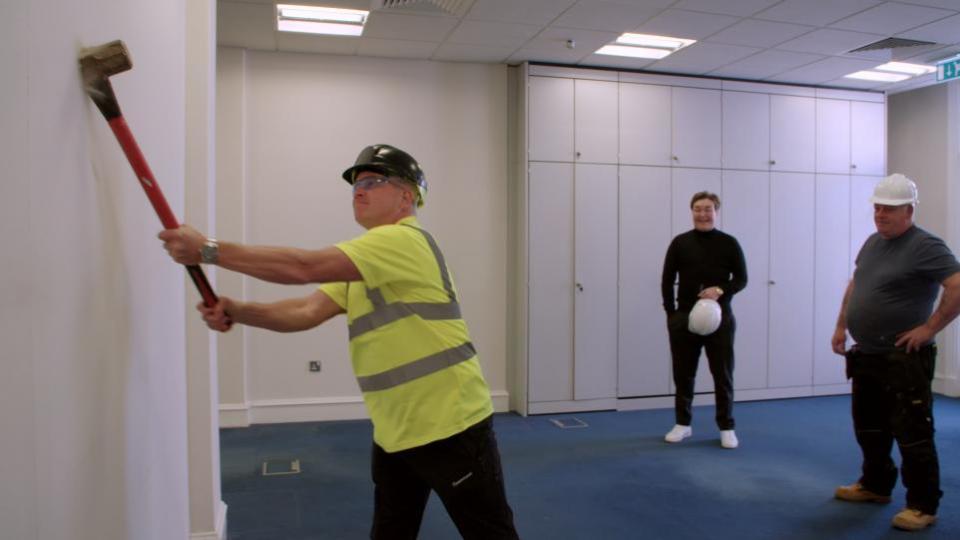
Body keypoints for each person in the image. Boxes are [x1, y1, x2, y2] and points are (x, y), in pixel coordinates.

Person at [159, 144, 519, 540]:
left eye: (372, 181)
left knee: (490, 533)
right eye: (355, 185)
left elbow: (303, 267)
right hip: (396, 429)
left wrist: (208, 250)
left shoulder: (403, 241)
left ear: (408, 195)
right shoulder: (367, 262)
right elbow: (305, 311)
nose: (358, 191)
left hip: (450, 423)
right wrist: (238, 310)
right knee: (390, 532)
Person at [831, 173, 960, 532]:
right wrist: (842, 325)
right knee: (869, 427)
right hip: (868, 354)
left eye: (889, 209)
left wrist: (929, 329)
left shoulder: (926, 246)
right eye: (877, 208)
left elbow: (957, 286)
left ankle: (923, 505)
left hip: (904, 359)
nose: (880, 215)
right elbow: (857, 284)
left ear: (909, 210)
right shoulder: (873, 242)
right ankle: (875, 486)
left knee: (912, 432)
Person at [660, 191, 747, 449]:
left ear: (716, 211)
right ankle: (682, 424)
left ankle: (726, 427)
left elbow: (741, 279)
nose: (703, 213)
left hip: (720, 319)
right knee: (683, 374)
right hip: (684, 318)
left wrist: (720, 290)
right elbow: (666, 280)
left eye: (708, 209)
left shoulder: (729, 243)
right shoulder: (680, 243)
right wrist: (671, 314)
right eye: (698, 208)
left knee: (723, 374)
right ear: (692, 211)